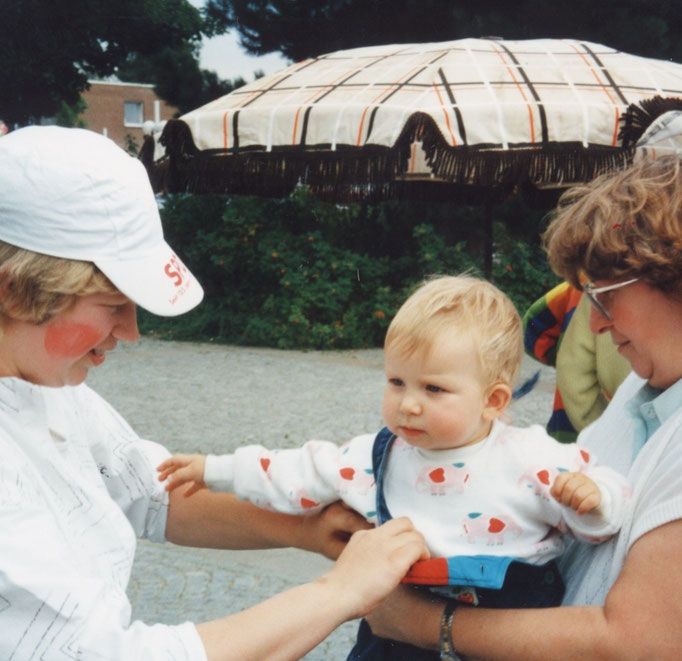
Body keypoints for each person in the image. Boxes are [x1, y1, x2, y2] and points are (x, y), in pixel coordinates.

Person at [0, 125, 429, 661]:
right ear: (15, 292)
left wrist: (306, 527)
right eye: (114, 304)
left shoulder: (43, 379)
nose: (132, 331)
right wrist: (338, 593)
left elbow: (155, 492)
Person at [158, 275, 629, 660]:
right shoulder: (377, 456)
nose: (408, 405)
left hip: (504, 634)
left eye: (433, 389)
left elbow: (600, 500)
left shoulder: (531, 458)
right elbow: (297, 472)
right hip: (397, 640)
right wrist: (214, 469)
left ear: (493, 401)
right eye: (397, 382)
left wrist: (596, 501)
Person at [358, 155, 682, 660]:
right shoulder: (642, 391)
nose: (595, 324)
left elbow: (638, 643)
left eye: (604, 298)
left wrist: (424, 623)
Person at [523, 282, 631, 442]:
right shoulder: (597, 279)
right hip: (618, 434)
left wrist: (558, 355)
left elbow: (533, 325)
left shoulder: (580, 283)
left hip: (571, 428)